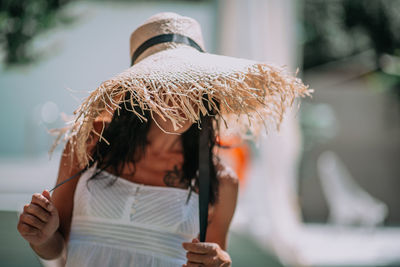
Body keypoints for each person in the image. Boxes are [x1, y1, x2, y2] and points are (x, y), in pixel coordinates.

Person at [17, 12, 311, 267]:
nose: (180, 97)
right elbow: (57, 249)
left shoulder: (220, 182)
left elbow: (213, 257)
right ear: (141, 92)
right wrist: (42, 237)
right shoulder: (91, 140)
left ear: (205, 93)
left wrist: (221, 262)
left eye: (190, 83)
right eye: (165, 83)